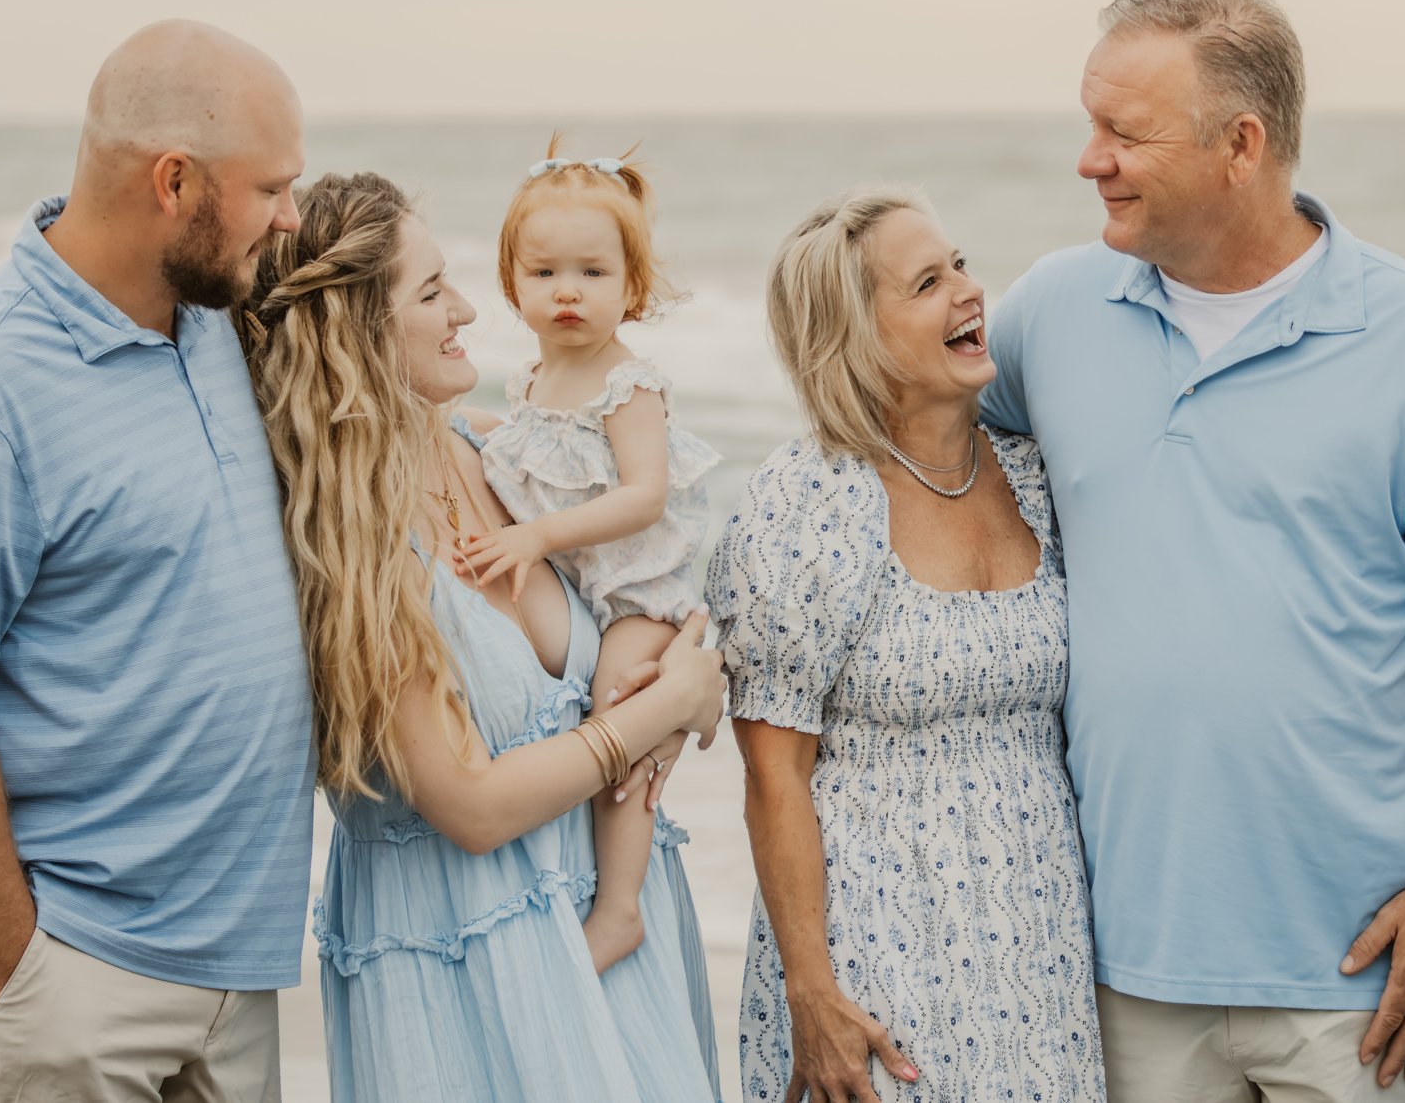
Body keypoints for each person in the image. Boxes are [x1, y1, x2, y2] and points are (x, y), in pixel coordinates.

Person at [978, 0, 1405, 1101]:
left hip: (1365, 968)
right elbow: (907, 445)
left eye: (1122, 132)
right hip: (1121, 956)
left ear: (1239, 144)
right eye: (1087, 124)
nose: (1089, 159)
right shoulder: (1050, 310)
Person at [0, 20, 315, 1102]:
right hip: (71, 965)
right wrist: (24, 970)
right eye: (273, 188)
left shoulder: (212, 323)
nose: (291, 216)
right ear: (174, 182)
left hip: (230, 965)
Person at [241, 170, 727, 1103]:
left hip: (608, 927)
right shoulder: (353, 546)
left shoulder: (491, 450)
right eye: (430, 293)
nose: (468, 308)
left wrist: (687, 678)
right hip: (469, 954)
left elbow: (641, 573)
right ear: (356, 331)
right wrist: (657, 709)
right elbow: (469, 806)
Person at [708, 188, 1105, 1103]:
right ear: (856, 337)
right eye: (928, 282)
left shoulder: (1035, 472)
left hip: (1038, 946)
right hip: (875, 950)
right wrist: (813, 992)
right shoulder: (809, 501)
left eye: (959, 264)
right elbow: (775, 777)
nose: (968, 291)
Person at [451, 141, 721, 974]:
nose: (568, 290)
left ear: (632, 287)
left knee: (620, 710)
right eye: (545, 273)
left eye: (594, 274)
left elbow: (641, 496)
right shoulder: (529, 382)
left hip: (639, 594)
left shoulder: (627, 384)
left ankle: (619, 907)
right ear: (512, 285)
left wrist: (534, 537)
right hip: (584, 591)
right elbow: (536, 457)